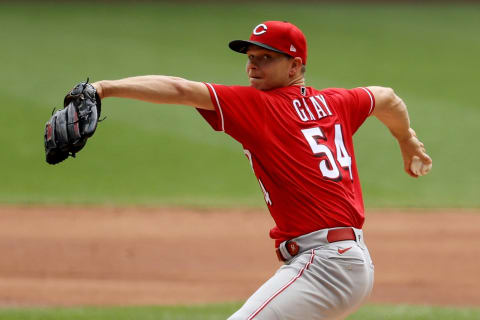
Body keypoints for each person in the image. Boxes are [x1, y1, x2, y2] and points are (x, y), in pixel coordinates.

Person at [91, 21, 432, 320]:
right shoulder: (336, 102)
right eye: (250, 57)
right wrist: (406, 139)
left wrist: (103, 88)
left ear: (295, 65)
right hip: (348, 262)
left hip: (326, 266)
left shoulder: (261, 106)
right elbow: (386, 98)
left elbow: (182, 90)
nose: (252, 66)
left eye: (265, 58)